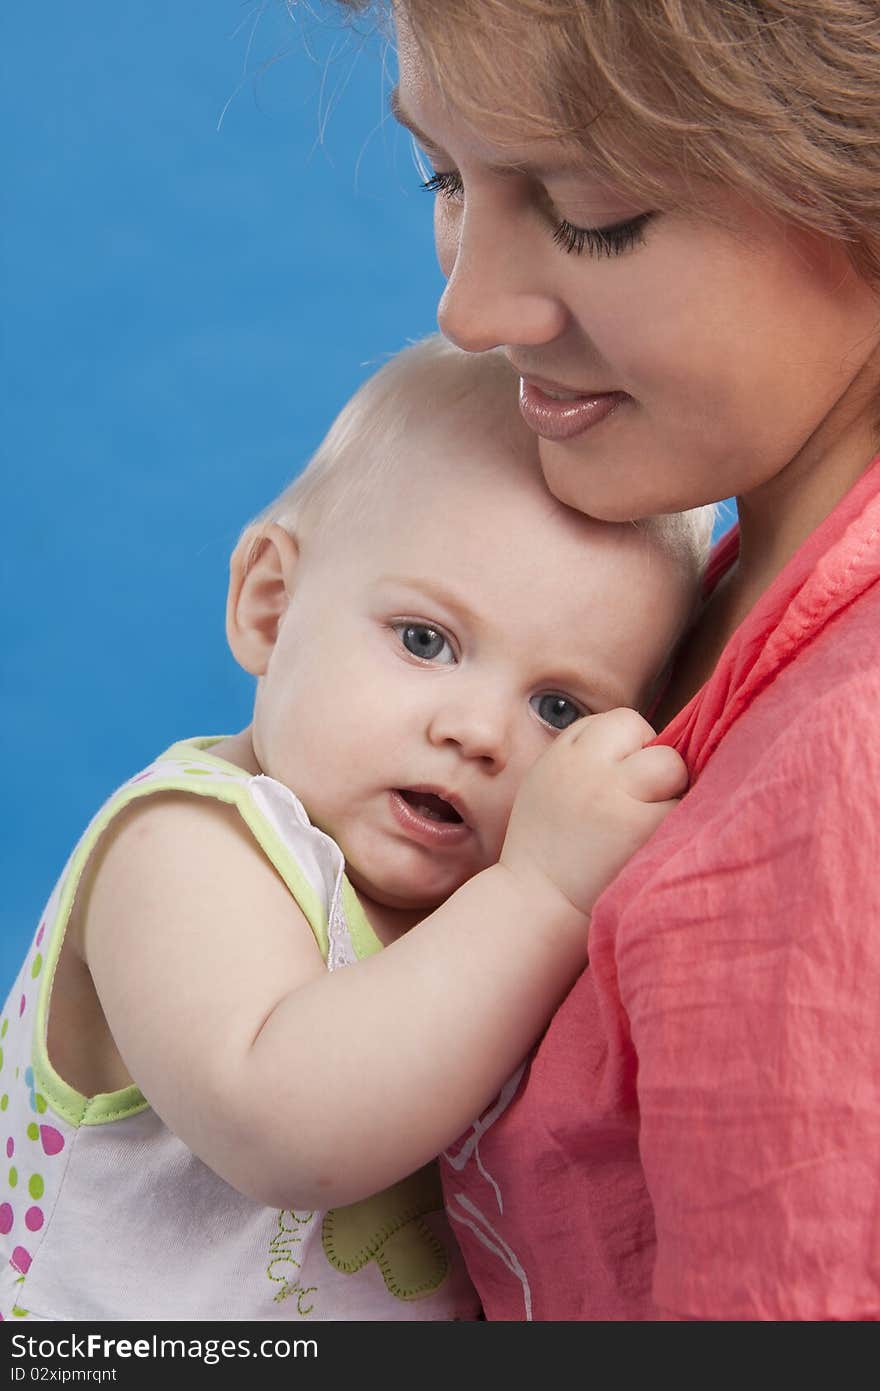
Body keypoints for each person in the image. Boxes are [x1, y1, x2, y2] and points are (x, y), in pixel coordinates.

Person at [332, 0, 880, 1320]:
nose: (467, 309)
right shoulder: (701, 591)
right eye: (446, 178)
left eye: (591, 209)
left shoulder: (849, 767)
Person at [0, 335, 712, 1321]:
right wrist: (541, 893)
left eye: (560, 710)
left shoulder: (476, 904)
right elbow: (287, 1130)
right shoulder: (190, 845)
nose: (475, 730)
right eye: (426, 641)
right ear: (270, 603)